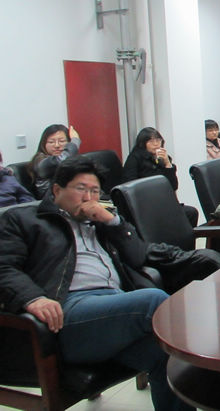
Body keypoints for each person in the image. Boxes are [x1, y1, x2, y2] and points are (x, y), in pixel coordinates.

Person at [0, 156, 192, 410]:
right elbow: (4, 267)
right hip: (67, 314)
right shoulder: (24, 219)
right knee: (154, 299)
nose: (88, 198)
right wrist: (33, 298)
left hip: (112, 311)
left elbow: (137, 256)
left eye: (94, 191)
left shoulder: (100, 222)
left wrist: (112, 222)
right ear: (56, 190)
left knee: (170, 358)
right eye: (81, 189)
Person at [122, 127, 199, 227]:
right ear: (143, 143)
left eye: (158, 140)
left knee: (192, 213)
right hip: (146, 204)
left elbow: (173, 186)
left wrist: (168, 164)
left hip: (164, 201)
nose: (156, 144)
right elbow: (129, 184)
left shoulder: (164, 158)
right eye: (151, 141)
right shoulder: (135, 158)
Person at [30, 124, 81, 199]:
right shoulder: (40, 160)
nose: (57, 145)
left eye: (62, 141)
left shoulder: (73, 159)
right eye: (51, 142)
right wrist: (75, 141)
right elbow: (61, 161)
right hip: (52, 201)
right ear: (44, 144)